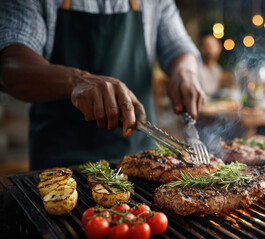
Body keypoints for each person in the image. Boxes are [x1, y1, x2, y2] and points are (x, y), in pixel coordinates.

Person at [0, 0, 205, 170]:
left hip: (141, 159)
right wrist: (75, 81)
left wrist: (185, 72)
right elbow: (10, 65)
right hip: (60, 163)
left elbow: (180, 47)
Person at [198, 33, 223, 100]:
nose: (207, 50)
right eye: (204, 46)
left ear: (219, 47)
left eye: (210, 46)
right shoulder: (195, 69)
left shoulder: (219, 70)